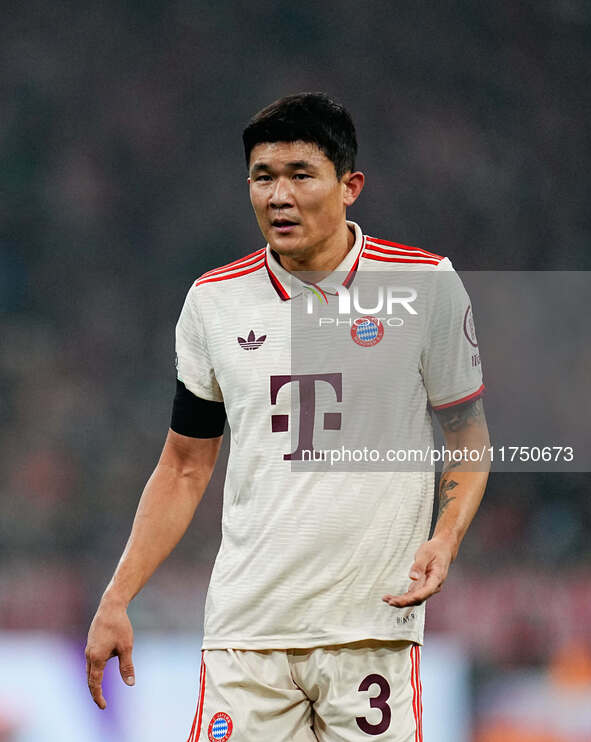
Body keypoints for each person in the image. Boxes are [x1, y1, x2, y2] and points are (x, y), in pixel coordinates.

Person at [85, 92, 490, 741]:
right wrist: (117, 595)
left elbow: (468, 440)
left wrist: (443, 540)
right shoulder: (213, 302)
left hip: (369, 630)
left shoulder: (424, 285)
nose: (278, 195)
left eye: (300, 174)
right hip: (246, 634)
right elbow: (185, 466)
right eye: (262, 177)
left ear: (349, 185)